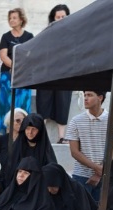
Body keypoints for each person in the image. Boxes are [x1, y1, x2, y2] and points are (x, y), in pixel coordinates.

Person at [66, 90, 113, 202]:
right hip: (81, 176)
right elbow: (74, 152)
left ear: (100, 97)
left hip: (106, 177)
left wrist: (100, 173)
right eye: (85, 95)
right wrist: (97, 168)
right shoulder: (76, 121)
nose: (85, 98)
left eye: (89, 95)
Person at [34, 4, 71, 143]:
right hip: (47, 72)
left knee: (63, 103)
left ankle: (61, 137)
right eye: (58, 17)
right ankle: (41, 136)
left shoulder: (72, 33)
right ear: (53, 18)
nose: (60, 19)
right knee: (43, 102)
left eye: (63, 16)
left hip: (65, 73)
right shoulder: (46, 33)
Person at [0, 7, 33, 134]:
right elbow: (3, 55)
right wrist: (14, 67)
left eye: (14, 18)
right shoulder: (5, 37)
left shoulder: (29, 36)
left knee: (23, 103)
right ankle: (7, 133)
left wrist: (19, 68)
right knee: (7, 104)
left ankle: (24, 131)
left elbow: (30, 55)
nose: (11, 20)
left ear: (21, 20)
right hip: (7, 75)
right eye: (10, 18)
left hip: (24, 75)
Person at [1, 112, 57, 188]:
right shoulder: (17, 146)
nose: (30, 132)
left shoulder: (45, 149)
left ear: (40, 131)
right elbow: (9, 171)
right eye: (27, 128)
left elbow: (52, 172)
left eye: (34, 129)